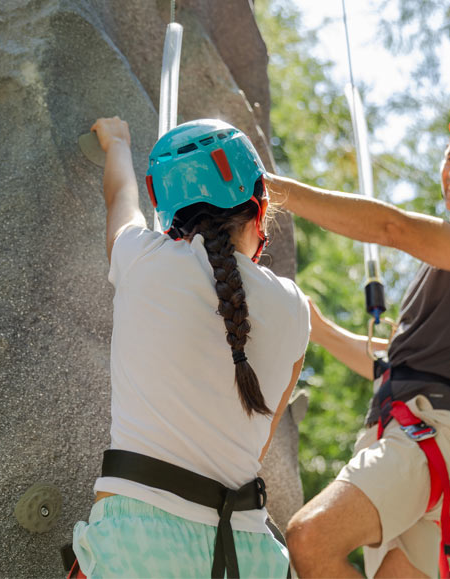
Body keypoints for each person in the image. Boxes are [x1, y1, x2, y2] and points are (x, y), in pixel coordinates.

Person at [266, 99, 450, 578]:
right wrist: (320, 327)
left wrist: (273, 191)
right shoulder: (444, 265)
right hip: (406, 425)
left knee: (311, 538)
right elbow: (389, 365)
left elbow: (391, 227)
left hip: (431, 429)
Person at [70, 116, 309, 578]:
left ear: (171, 220)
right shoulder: (295, 309)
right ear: (259, 212)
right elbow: (257, 442)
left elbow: (120, 199)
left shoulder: (140, 258)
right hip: (249, 556)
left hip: (137, 547)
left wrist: (117, 141)